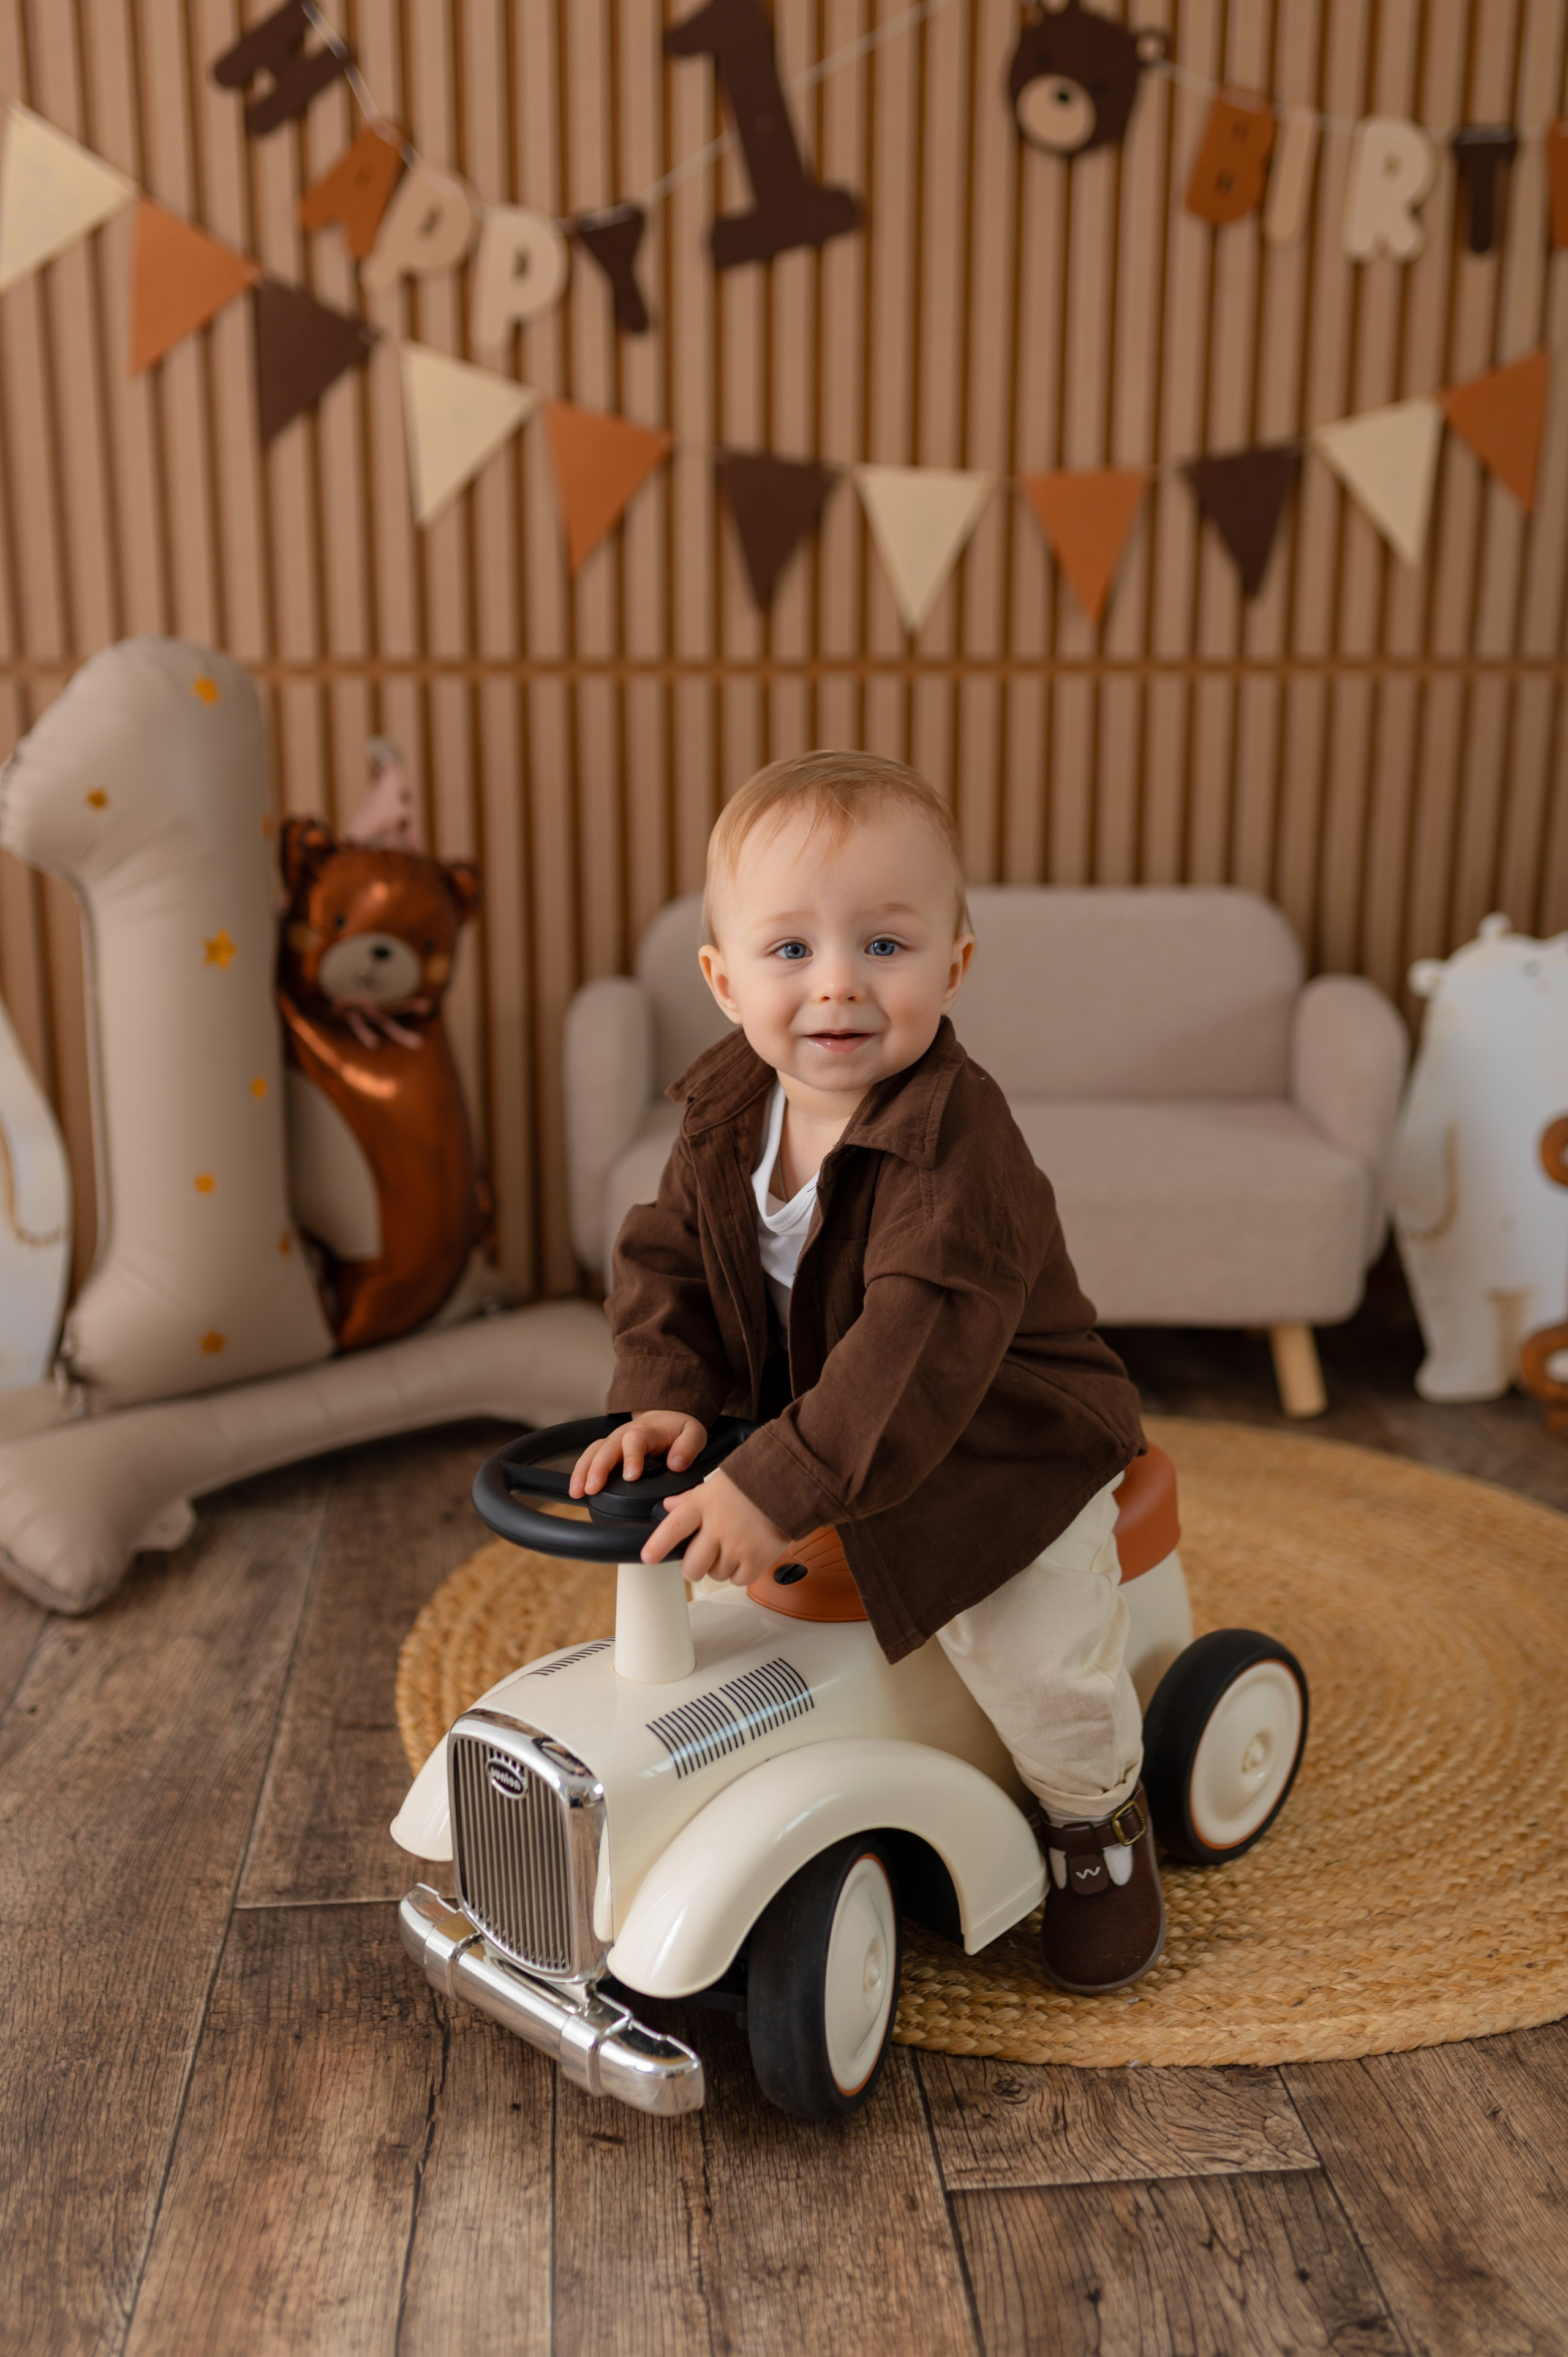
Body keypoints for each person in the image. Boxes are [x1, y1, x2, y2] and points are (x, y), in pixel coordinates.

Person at [570, 750, 1159, 1994]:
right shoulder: (730, 1106)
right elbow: (669, 1252)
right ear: (723, 981)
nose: (835, 983)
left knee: (1029, 1650)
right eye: (789, 951)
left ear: (952, 963)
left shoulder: (958, 1147)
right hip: (828, 1427)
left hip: (997, 1446)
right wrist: (666, 1394)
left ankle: (1094, 1823)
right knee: (716, 1600)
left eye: (882, 946)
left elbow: (911, 1349)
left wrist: (777, 1481)